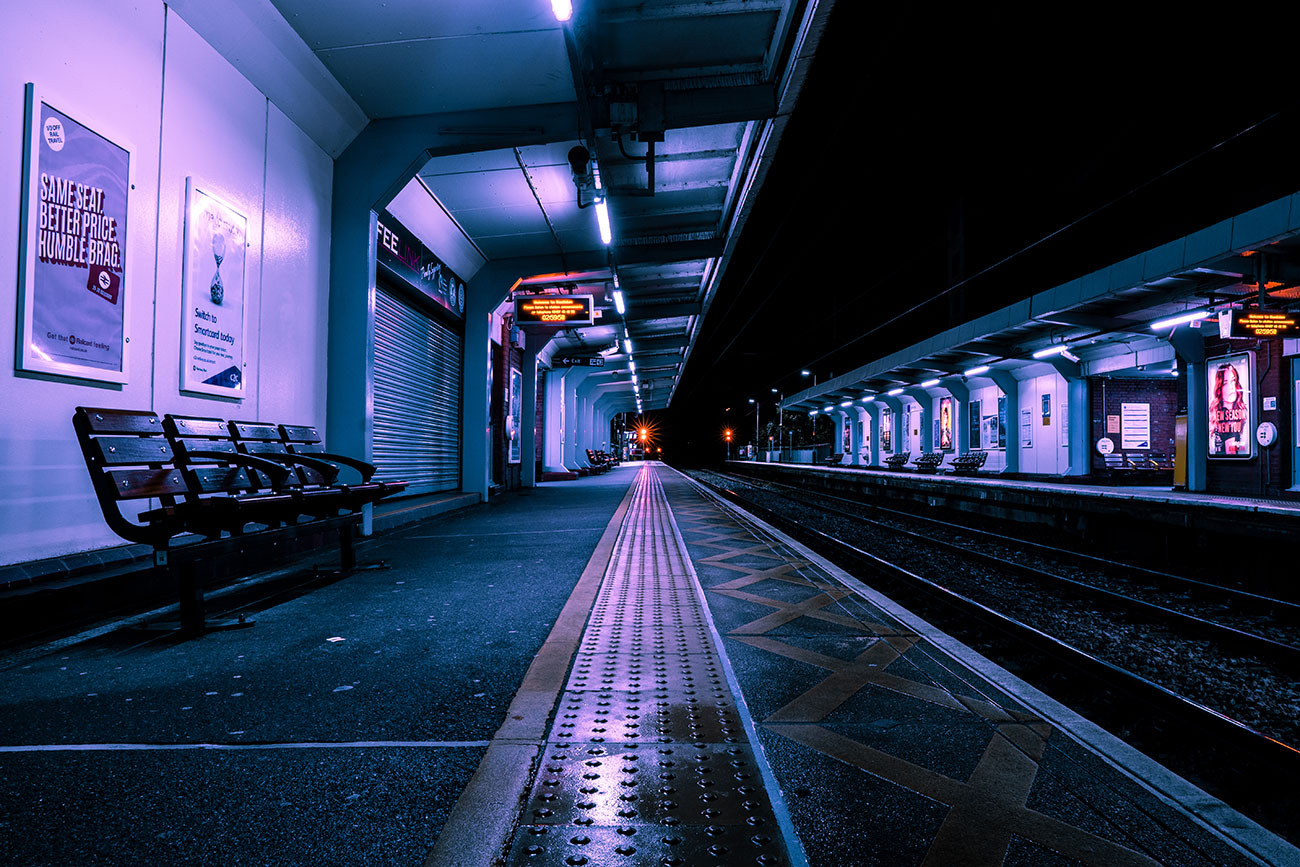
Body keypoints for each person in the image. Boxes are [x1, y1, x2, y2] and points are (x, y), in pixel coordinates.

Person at [1209, 361, 1249, 455]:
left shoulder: (1223, 413)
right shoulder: (1228, 418)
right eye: (1225, 383)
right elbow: (1231, 453)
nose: (1231, 387)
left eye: (1233, 380)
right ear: (1220, 388)